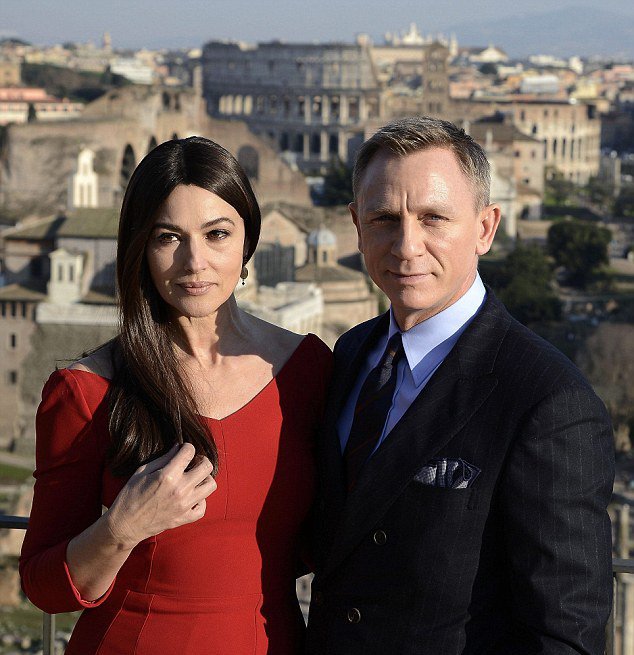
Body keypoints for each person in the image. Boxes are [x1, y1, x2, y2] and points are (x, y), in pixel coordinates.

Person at [306, 117, 614, 655]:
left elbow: (565, 633)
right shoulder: (352, 354)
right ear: (357, 226)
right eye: (384, 218)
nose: (407, 246)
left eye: (433, 218)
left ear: (485, 228)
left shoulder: (548, 400)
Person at [20, 136, 332, 655]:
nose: (195, 261)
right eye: (169, 237)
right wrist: (123, 526)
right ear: (141, 248)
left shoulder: (308, 370)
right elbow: (44, 587)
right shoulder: (86, 392)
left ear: (247, 242)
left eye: (217, 234)